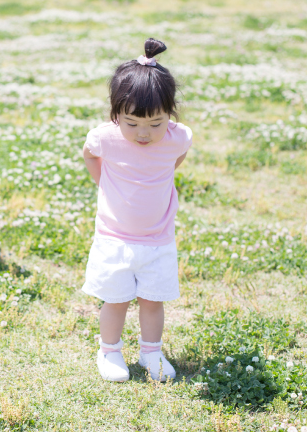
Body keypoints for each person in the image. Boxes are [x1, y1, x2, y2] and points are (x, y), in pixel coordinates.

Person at [82, 38, 192, 382]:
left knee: (152, 300)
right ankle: (110, 351)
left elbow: (175, 160)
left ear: (170, 114)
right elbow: (89, 154)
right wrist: (104, 183)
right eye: (132, 123)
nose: (144, 133)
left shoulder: (178, 138)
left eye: (156, 123)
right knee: (115, 301)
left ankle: (151, 352)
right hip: (115, 237)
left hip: (158, 239)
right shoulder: (106, 138)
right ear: (115, 113)